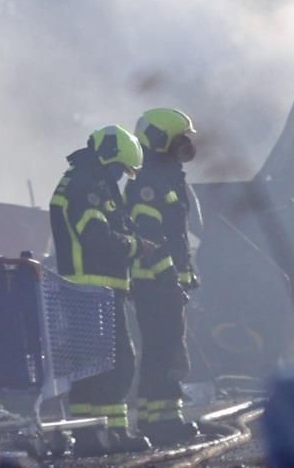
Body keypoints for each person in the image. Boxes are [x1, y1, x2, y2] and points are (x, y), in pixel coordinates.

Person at [49, 125, 155, 456]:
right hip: (92, 289)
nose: (121, 177)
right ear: (108, 159)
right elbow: (96, 237)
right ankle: (100, 434)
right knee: (114, 362)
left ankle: (103, 434)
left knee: (96, 365)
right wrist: (136, 246)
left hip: (95, 290)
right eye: (120, 169)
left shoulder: (85, 182)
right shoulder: (86, 187)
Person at [126, 108, 203, 445]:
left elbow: (177, 237)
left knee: (169, 349)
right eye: (178, 139)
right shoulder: (148, 184)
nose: (185, 146)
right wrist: (171, 278)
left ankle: (162, 418)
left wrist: (187, 274)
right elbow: (151, 239)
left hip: (167, 282)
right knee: (163, 351)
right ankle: (160, 424)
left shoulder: (169, 180)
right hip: (154, 283)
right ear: (159, 141)